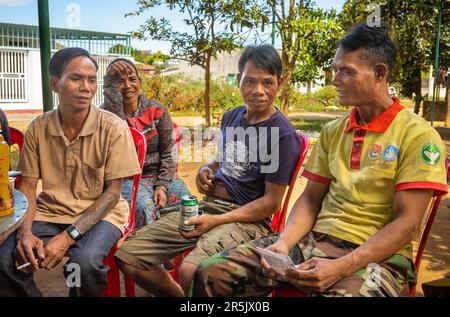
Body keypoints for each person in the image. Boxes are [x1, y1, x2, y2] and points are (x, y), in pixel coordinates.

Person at [190, 23, 448, 297]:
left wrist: (341, 266)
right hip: (315, 240)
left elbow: (407, 223)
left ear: (379, 73)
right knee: (211, 273)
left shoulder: (418, 135)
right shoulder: (333, 131)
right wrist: (284, 244)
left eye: (346, 72)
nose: (335, 80)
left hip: (379, 259)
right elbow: (311, 200)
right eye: (335, 70)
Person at [114, 44, 302, 296]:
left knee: (191, 270)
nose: (258, 91)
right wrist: (206, 167)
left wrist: (216, 221)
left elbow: (270, 203)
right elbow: (222, 158)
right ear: (238, 81)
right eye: (250, 82)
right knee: (129, 255)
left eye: (267, 83)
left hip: (247, 220)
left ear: (280, 82)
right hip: (208, 206)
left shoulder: (282, 134)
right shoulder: (231, 116)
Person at [0, 48, 141, 297]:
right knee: (5, 261)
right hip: (51, 211)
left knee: (83, 265)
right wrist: (26, 233)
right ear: (55, 84)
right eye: (76, 78)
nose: (86, 87)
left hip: (102, 214)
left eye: (91, 79)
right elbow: (29, 186)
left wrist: (67, 237)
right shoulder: (38, 128)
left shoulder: (113, 128)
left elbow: (112, 194)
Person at [100, 58, 190, 228]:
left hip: (158, 176)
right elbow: (117, 135)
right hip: (125, 179)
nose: (127, 85)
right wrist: (111, 87)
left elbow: (169, 152)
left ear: (140, 83)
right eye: (119, 81)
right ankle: (145, 252)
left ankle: (181, 251)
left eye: (132, 79)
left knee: (187, 203)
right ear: (111, 87)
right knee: (143, 208)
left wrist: (162, 186)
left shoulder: (157, 111)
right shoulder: (104, 114)